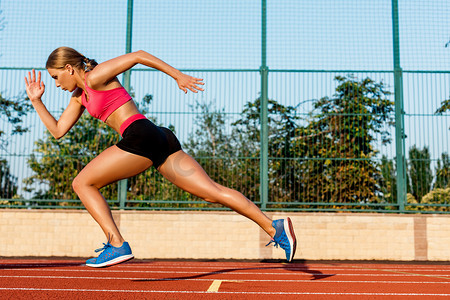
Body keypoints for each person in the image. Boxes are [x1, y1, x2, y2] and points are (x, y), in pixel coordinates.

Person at [24, 47, 296, 267]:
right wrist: (37, 101)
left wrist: (178, 75)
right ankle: (275, 227)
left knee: (82, 183)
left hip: (140, 135)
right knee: (212, 192)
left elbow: (139, 55)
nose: (56, 84)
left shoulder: (95, 76)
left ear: (69, 69)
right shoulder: (78, 97)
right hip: (158, 138)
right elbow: (58, 130)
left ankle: (117, 244)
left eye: (56, 77)